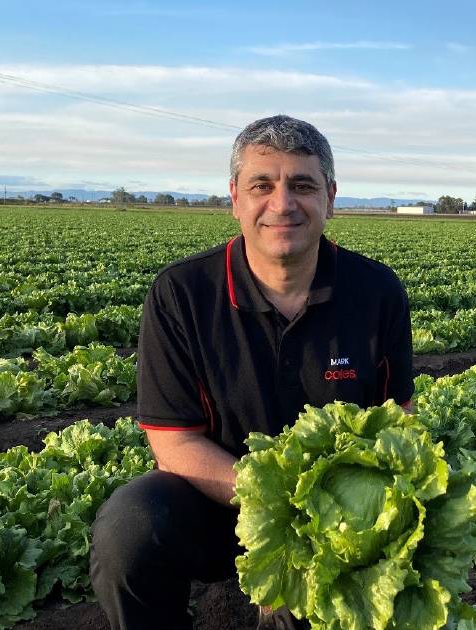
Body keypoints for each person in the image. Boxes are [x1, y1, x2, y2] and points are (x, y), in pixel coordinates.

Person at [90, 115, 414, 630]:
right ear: (235, 198)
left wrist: (332, 523)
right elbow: (174, 442)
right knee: (131, 526)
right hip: (222, 502)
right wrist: (277, 510)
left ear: (330, 198)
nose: (282, 204)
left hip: (336, 517)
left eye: (302, 185)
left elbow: (398, 420)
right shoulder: (182, 294)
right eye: (262, 185)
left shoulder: (376, 291)